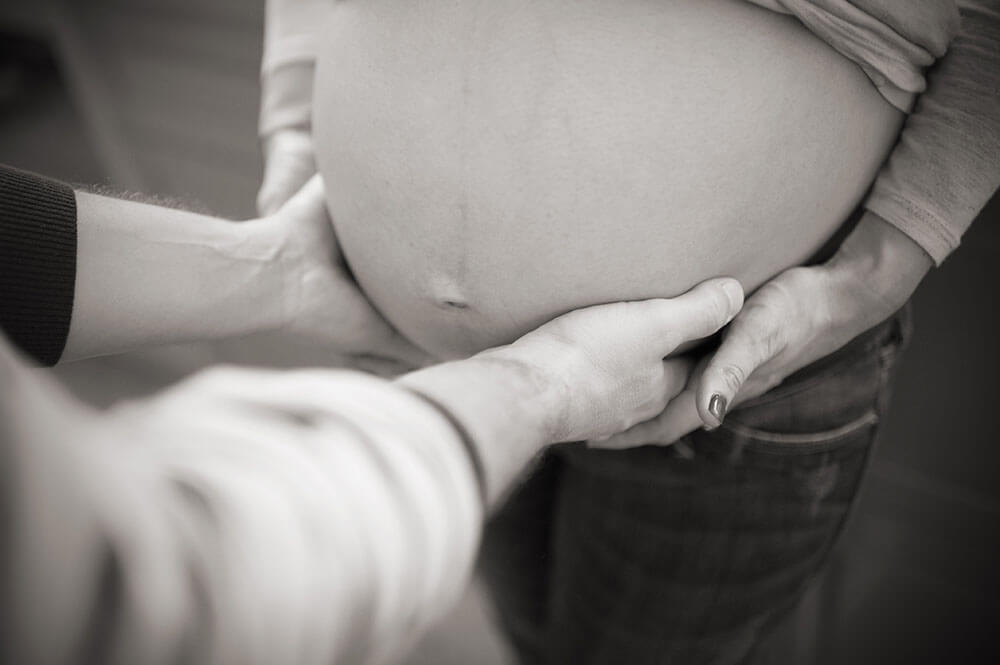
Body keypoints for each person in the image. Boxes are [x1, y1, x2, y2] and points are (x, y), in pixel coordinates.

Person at [257, 0, 1000, 662]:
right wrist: (294, 115)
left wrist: (875, 273)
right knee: (531, 632)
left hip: (713, 378)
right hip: (435, 361)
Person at [0, 164, 745, 664]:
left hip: (702, 374)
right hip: (499, 393)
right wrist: (537, 386)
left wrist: (274, 270)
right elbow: (164, 602)